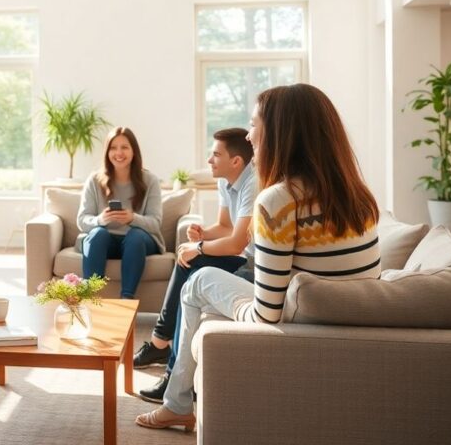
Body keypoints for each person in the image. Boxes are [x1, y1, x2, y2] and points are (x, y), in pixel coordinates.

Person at [136, 83, 381, 432]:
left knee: (197, 283)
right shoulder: (360, 197)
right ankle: (173, 392)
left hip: (304, 319)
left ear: (281, 133)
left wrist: (219, 302)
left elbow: (266, 313)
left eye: (254, 125)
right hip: (347, 319)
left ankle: (176, 403)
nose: (249, 136)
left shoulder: (278, 201)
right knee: (202, 278)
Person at [133, 128, 257, 403]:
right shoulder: (226, 181)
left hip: (253, 265)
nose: (209, 160)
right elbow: (225, 226)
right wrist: (203, 234)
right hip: (245, 257)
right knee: (188, 259)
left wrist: (198, 248)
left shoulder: (253, 182)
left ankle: (163, 352)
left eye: (215, 155)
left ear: (236, 161)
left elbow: (237, 243)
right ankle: (161, 346)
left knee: (192, 259)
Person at [77, 127, 163, 300]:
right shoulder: (94, 180)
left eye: (124, 147)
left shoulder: (150, 181)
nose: (119, 153)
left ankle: (126, 299)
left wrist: (133, 218)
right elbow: (82, 220)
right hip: (105, 241)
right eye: (113, 148)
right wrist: (100, 220)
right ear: (107, 152)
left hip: (138, 243)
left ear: (134, 151)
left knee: (135, 236)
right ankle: (89, 298)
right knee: (98, 234)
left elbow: (155, 223)